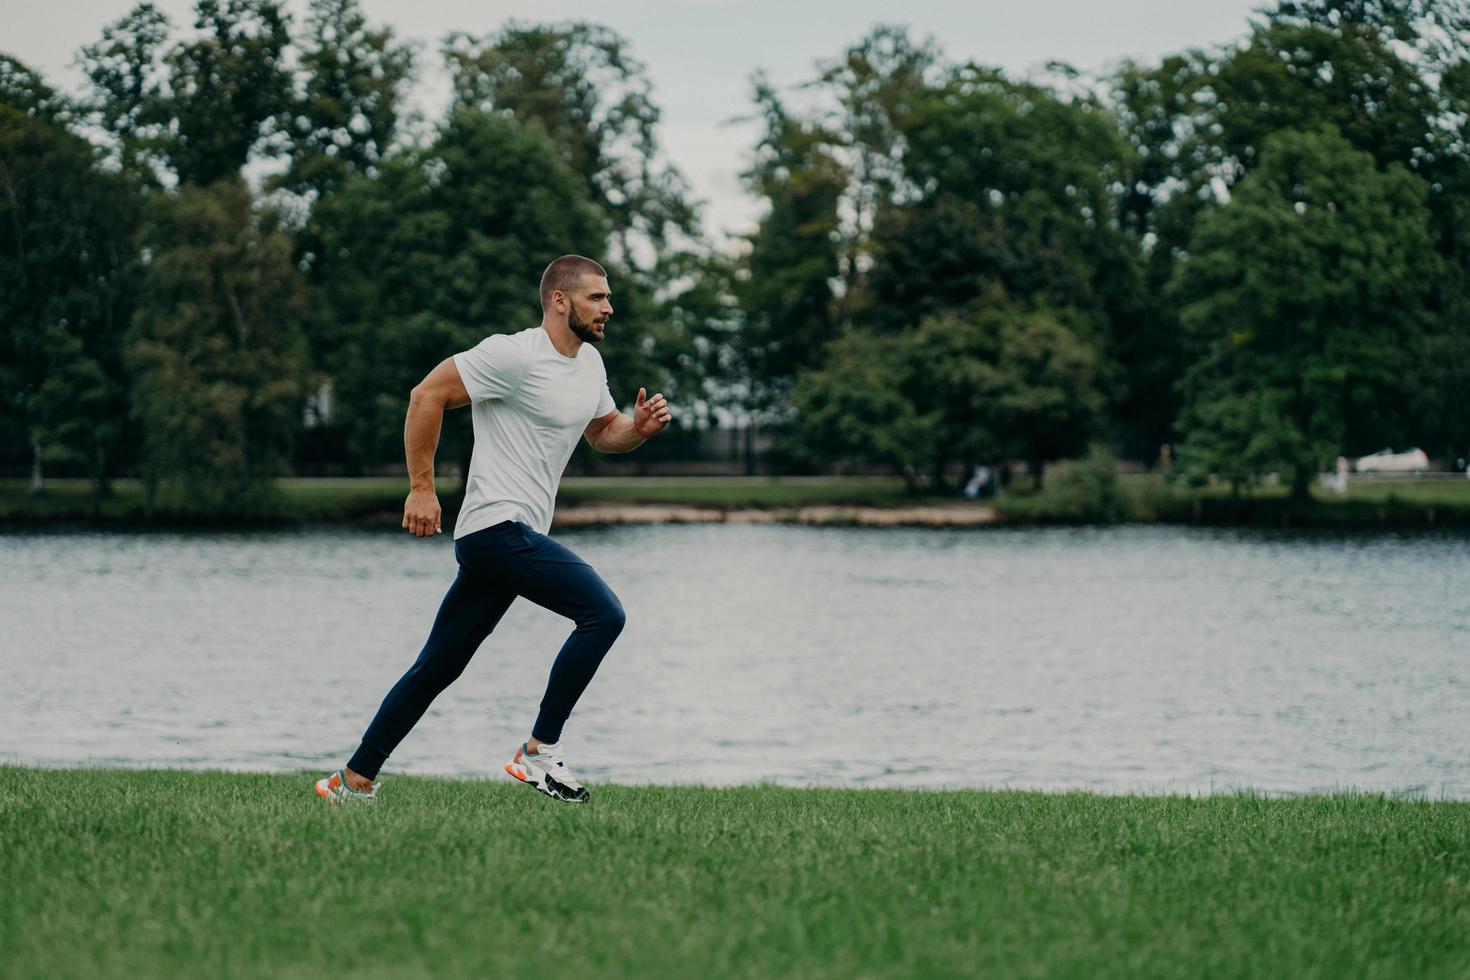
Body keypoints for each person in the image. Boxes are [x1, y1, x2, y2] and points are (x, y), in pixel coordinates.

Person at [315, 255, 672, 805]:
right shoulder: (512, 354)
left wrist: (638, 429)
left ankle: (352, 780)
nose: (609, 307)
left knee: (437, 665)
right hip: (495, 527)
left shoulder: (591, 365)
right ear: (560, 300)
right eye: (597, 297)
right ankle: (538, 752)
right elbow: (426, 395)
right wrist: (421, 487)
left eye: (608, 297)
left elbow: (603, 432)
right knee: (603, 614)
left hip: (507, 538)